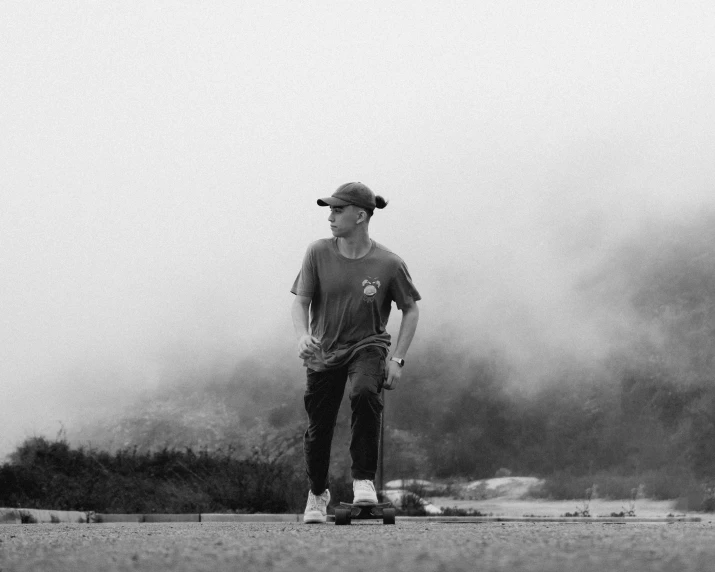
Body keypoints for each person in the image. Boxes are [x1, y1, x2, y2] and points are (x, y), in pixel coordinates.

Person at [291, 182, 421, 524]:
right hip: (324, 349)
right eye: (330, 210)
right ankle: (318, 493)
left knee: (365, 393)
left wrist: (397, 360)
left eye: (337, 210)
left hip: (369, 346)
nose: (330, 217)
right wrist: (302, 336)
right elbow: (301, 301)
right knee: (319, 427)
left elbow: (411, 309)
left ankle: (363, 480)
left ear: (360, 216)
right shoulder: (317, 252)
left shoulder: (389, 263)